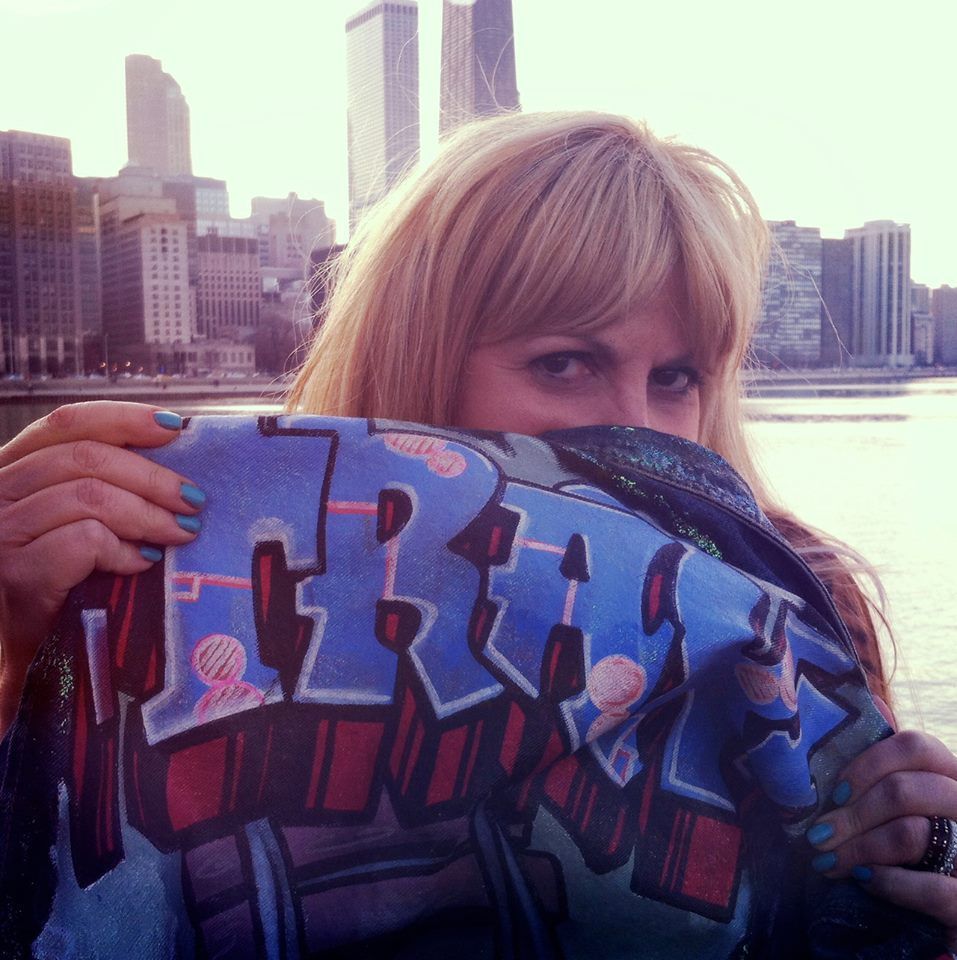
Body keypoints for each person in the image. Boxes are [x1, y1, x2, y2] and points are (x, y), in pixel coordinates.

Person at [0, 111, 955, 951]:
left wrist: (926, 863)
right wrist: (12, 661)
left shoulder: (795, 613)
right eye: (564, 363)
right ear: (417, 354)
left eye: (675, 379)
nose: (632, 423)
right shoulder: (194, 572)